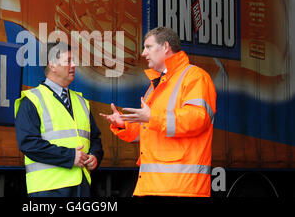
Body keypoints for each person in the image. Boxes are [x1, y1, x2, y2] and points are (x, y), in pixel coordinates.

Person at [100, 27, 216, 197]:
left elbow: (197, 120)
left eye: (148, 47)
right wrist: (123, 124)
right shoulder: (157, 84)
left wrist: (152, 117)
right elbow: (149, 129)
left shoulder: (195, 77)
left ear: (165, 47)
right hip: (153, 185)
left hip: (181, 188)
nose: (143, 53)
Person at [14, 41, 103, 197]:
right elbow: (28, 144)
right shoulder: (32, 100)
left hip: (80, 187)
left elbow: (95, 138)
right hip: (48, 188)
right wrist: (69, 156)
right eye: (68, 60)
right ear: (52, 65)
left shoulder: (82, 102)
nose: (74, 64)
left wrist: (95, 156)